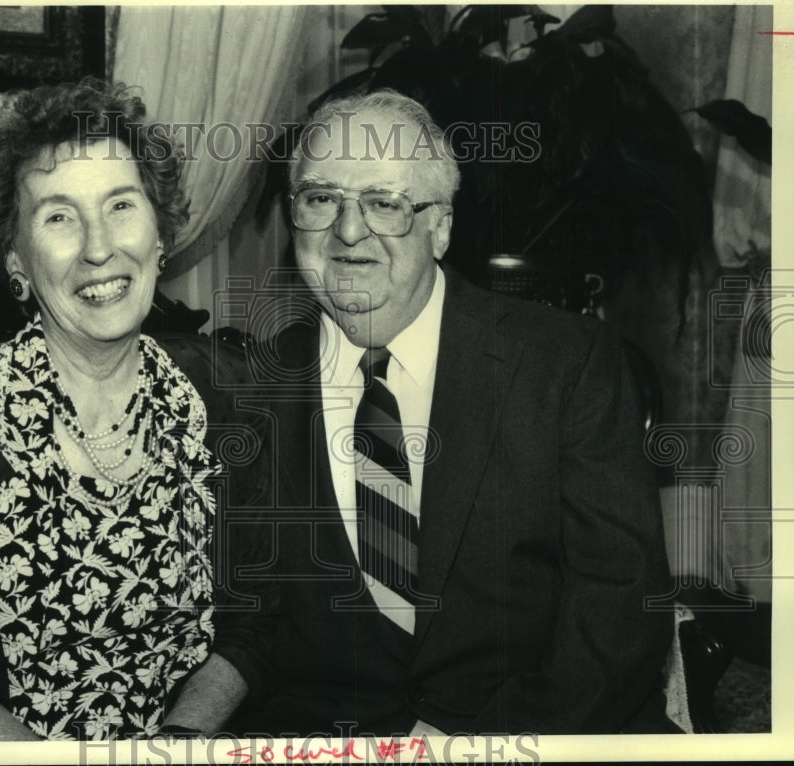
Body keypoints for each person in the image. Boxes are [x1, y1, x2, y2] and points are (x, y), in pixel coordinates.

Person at [224, 89, 677, 735]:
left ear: (440, 227)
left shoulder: (565, 365)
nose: (349, 232)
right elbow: (246, 630)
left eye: (385, 203)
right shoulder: (251, 391)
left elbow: (620, 610)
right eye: (322, 198)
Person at [0, 80, 266, 742]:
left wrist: (178, 743)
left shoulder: (229, 390)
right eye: (59, 217)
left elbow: (257, 615)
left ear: (160, 234)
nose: (100, 248)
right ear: (17, 260)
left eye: (121, 206)